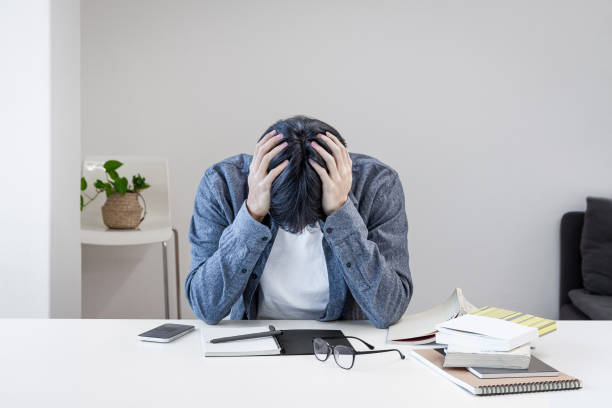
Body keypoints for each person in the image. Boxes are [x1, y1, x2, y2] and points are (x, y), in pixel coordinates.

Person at [185, 115, 412, 329]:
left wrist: (341, 212)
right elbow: (205, 306)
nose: (301, 230)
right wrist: (252, 214)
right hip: (256, 343)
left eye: (312, 222)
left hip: (344, 347)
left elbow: (389, 310)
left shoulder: (378, 185)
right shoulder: (221, 184)